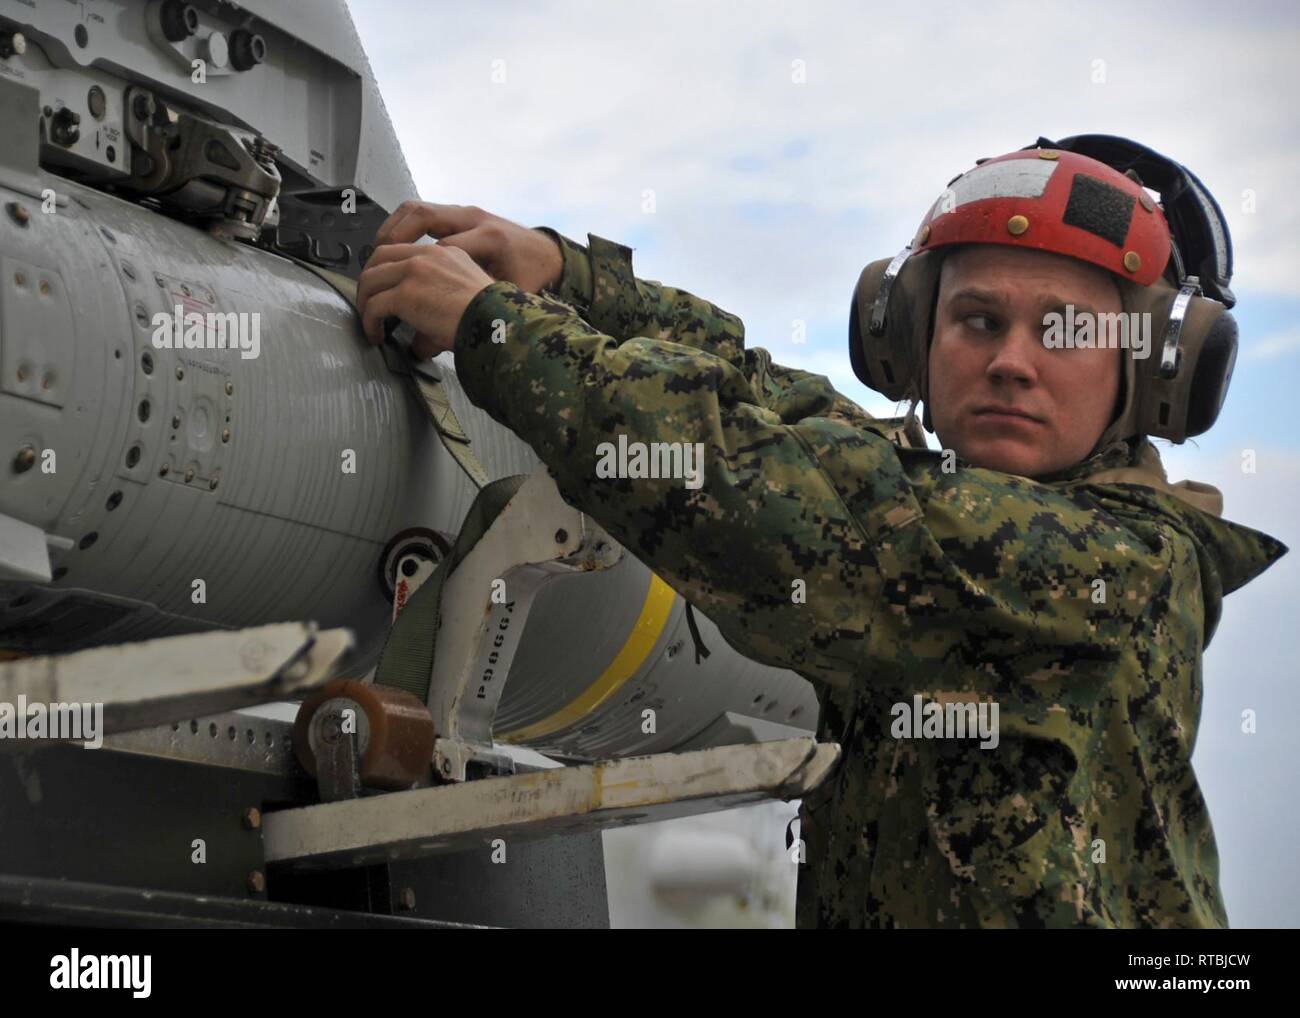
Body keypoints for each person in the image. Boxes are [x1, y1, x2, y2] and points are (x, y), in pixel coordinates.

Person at [354, 141, 1287, 928]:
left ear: (1151, 375)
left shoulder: (1116, 566)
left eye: (1063, 330)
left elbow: (781, 503)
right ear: (909, 341)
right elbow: (781, 402)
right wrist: (571, 278)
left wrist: (495, 329)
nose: (1010, 361)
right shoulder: (950, 494)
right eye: (976, 319)